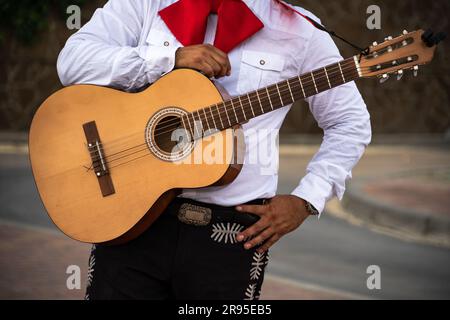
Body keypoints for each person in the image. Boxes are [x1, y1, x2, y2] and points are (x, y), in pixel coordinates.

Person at [57, 0, 371, 300]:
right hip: (130, 217)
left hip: (230, 235)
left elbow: (349, 122)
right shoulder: (145, 3)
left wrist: (307, 199)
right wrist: (169, 59)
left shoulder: (299, 29)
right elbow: (73, 61)